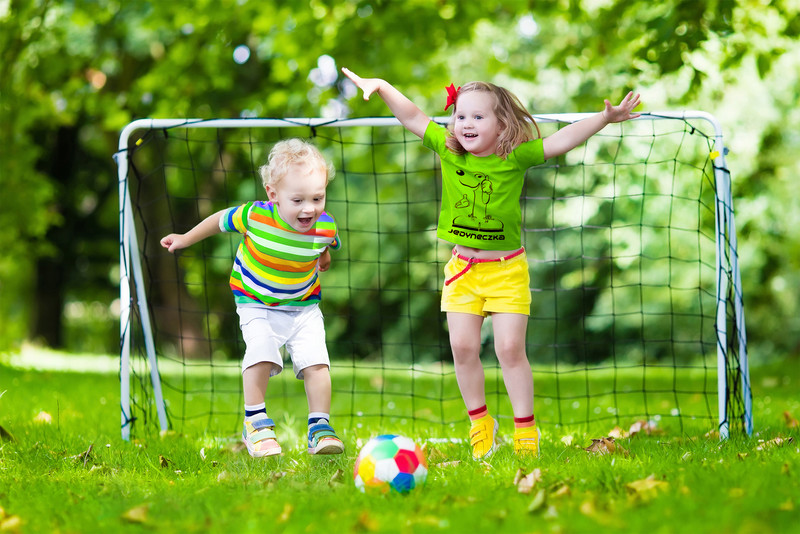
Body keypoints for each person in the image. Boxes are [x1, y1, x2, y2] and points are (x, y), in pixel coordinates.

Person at [342, 67, 640, 459]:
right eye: (460, 115)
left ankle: (525, 430)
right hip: (463, 270)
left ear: (502, 126)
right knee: (463, 348)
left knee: (510, 349)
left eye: (478, 117)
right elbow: (413, 116)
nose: (466, 123)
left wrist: (604, 118)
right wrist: (381, 85)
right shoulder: (448, 149)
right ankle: (480, 423)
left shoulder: (514, 157)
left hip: (507, 270)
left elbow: (560, 141)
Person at [160, 138, 344, 458]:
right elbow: (217, 221)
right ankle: (256, 423)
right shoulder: (255, 217)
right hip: (255, 300)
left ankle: (320, 427)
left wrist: (323, 258)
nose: (309, 208)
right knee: (261, 352)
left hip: (303, 306)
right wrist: (184, 239)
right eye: (298, 199)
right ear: (273, 195)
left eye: (318, 197)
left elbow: (324, 246)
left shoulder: (325, 226)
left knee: (317, 362)